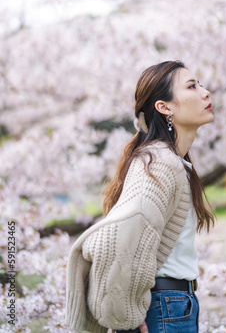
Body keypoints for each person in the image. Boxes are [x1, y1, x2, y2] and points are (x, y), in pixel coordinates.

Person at [65, 60, 215, 333]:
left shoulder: (169, 161)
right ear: (164, 107)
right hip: (163, 307)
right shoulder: (160, 162)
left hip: (173, 305)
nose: (205, 92)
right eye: (192, 86)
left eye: (201, 85)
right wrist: (126, 316)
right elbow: (120, 237)